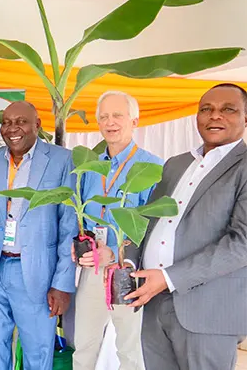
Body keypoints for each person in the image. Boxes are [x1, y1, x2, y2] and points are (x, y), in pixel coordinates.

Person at [122, 83, 247, 370]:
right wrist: (127, 260)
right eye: (206, 109)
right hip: (153, 304)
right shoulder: (176, 164)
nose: (215, 116)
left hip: (208, 310)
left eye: (228, 109)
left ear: (245, 118)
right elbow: (146, 220)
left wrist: (168, 277)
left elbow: (241, 243)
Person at [0, 101, 77, 370]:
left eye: (20, 121)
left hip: (37, 275)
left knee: (37, 353)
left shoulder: (61, 160)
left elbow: (69, 226)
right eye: (7, 122)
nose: (13, 129)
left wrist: (63, 283)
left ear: (37, 125)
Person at [72, 91, 162, 370]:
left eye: (117, 115)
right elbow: (82, 215)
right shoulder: (89, 166)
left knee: (130, 351)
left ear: (134, 120)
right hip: (92, 269)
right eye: (104, 117)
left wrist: (116, 251)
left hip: (128, 270)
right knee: (83, 346)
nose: (110, 122)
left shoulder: (153, 167)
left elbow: (154, 225)